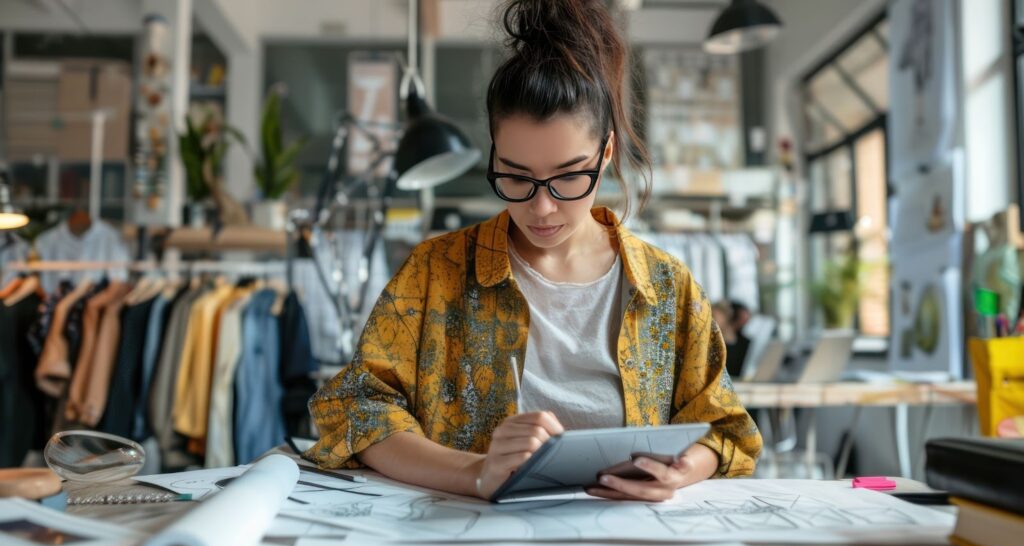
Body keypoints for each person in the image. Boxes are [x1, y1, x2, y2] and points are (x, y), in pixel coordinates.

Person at [307, 0, 761, 502]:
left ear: (606, 154)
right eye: (516, 176)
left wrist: (680, 471)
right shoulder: (436, 272)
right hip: (468, 541)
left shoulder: (665, 285)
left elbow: (722, 428)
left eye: (569, 176)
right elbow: (356, 409)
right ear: (494, 152)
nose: (542, 208)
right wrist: (475, 473)